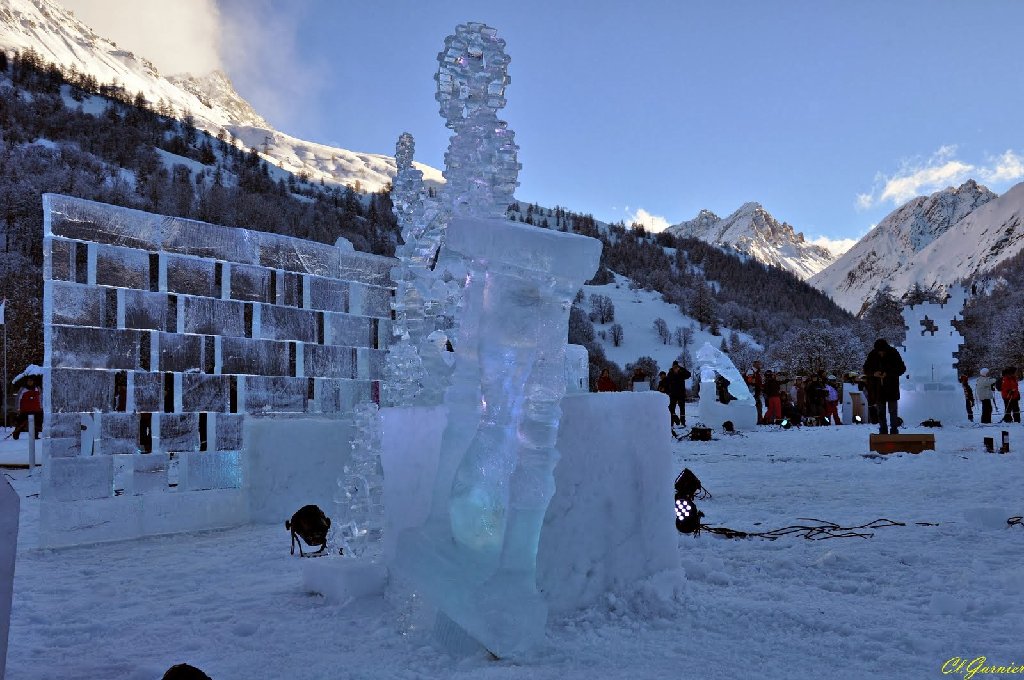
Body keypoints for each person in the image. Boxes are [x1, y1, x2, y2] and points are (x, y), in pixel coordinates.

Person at [863, 339, 907, 435]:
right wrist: (874, 373)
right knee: (881, 412)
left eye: (883, 351)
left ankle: (894, 430)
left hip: (891, 387)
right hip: (878, 388)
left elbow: (902, 368)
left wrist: (887, 373)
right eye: (879, 352)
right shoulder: (872, 354)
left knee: (893, 411)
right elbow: (865, 369)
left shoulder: (893, 353)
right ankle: (883, 430)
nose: (881, 353)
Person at [661, 361, 692, 428]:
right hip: (673, 394)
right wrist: (666, 389)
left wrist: (681, 369)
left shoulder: (681, 372)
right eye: (674, 366)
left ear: (678, 366)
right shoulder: (670, 373)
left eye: (676, 367)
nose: (675, 368)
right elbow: (667, 382)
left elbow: (689, 375)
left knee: (682, 409)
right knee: (671, 408)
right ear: (672, 366)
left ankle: (683, 423)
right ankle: (672, 422)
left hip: (681, 393)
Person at [12, 376, 43, 440]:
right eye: (29, 381)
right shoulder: (23, 389)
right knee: (20, 423)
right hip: (24, 410)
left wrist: (41, 407)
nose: (30, 382)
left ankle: (35, 436)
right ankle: (16, 435)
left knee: (37, 423)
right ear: (26, 381)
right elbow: (18, 399)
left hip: (36, 409)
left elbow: (41, 398)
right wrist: (17, 408)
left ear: (33, 381)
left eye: (31, 381)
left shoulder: (37, 388)